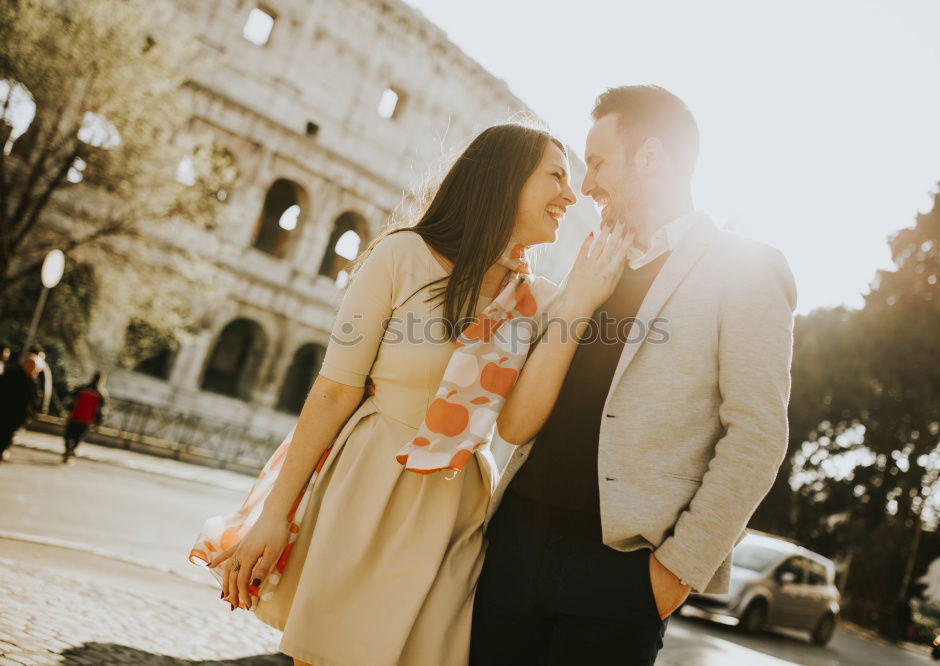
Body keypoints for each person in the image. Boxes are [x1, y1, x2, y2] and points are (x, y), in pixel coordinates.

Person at [194, 123, 629, 666]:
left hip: (456, 508)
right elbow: (333, 393)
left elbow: (516, 428)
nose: (570, 195)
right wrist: (273, 515)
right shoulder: (402, 256)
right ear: (504, 179)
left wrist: (578, 308)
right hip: (365, 487)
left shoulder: (540, 301)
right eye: (556, 176)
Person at [471, 85, 797, 665]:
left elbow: (756, 435)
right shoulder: (591, 258)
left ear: (650, 157)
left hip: (620, 577)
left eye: (597, 164)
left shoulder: (745, 268)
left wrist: (675, 573)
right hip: (512, 550)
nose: (586, 185)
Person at [0, 352, 45, 463]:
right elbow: (35, 401)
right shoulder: (32, 383)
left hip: (9, 412)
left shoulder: (10, 374)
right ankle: (2, 450)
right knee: (7, 434)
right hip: (16, 415)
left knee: (6, 433)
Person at [62, 371, 110, 463]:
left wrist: (69, 410)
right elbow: (102, 410)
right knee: (79, 437)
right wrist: (98, 423)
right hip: (87, 419)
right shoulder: (102, 394)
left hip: (75, 416)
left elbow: (71, 399)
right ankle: (71, 451)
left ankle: (67, 450)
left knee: (69, 435)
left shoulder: (82, 388)